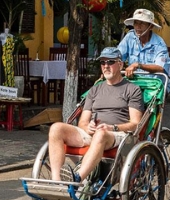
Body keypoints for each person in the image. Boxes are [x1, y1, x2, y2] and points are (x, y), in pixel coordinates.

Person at [47, 47, 144, 182]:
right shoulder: (95, 89)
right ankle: (56, 181)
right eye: (102, 63)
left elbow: (135, 124)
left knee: (101, 134)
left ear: (120, 64)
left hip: (117, 135)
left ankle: (77, 178)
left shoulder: (132, 90)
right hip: (93, 134)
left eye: (110, 62)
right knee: (56, 128)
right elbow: (82, 122)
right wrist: (88, 127)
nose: (106, 66)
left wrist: (112, 127)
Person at [118, 8, 170, 81]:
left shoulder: (159, 43)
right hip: (134, 83)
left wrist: (138, 65)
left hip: (155, 84)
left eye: (142, 23)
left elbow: (160, 68)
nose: (138, 27)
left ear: (151, 26)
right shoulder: (130, 37)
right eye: (136, 23)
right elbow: (118, 56)